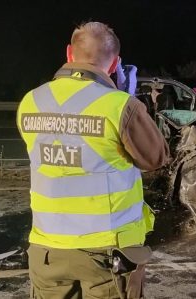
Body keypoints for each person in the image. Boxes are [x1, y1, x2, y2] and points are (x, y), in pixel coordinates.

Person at [17, 21, 170, 298]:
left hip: (47, 251)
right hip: (107, 252)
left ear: (69, 53)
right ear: (115, 65)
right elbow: (156, 158)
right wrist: (129, 100)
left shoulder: (30, 101)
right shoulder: (120, 105)